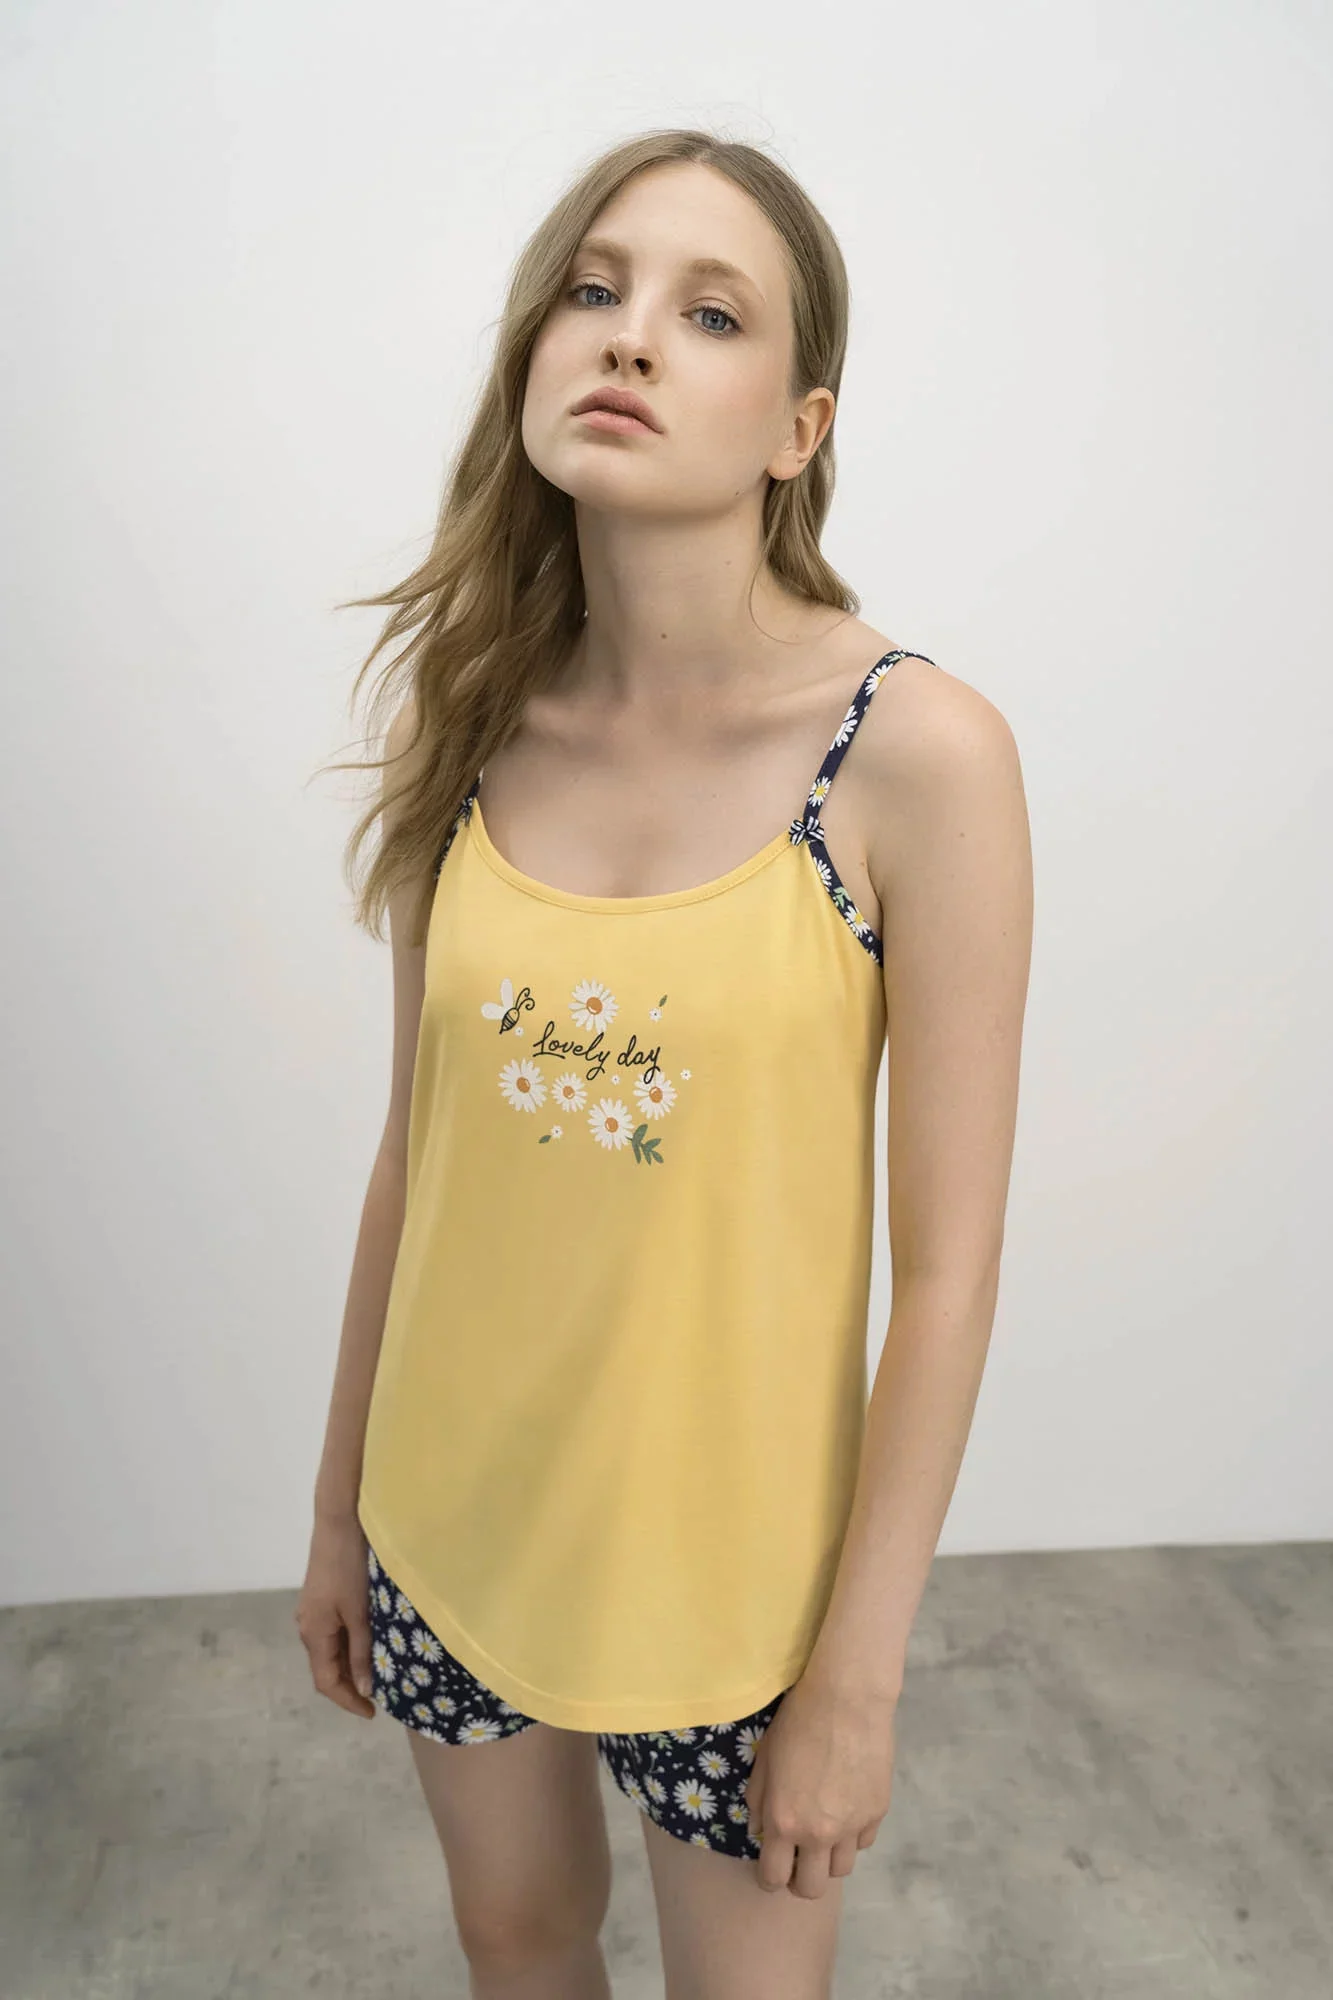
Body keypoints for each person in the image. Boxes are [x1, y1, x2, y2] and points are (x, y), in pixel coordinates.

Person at [297, 127, 1032, 2000]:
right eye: (596, 288)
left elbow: (949, 1275)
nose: (630, 336)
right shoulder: (474, 718)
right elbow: (415, 1155)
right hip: (452, 1518)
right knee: (517, 1943)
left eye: (711, 314)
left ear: (798, 426)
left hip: (740, 1587)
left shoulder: (913, 755)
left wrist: (858, 1675)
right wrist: (337, 1515)